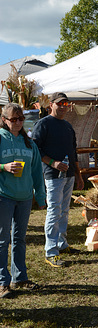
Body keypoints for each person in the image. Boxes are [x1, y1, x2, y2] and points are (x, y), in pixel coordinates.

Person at [32, 92, 84, 268]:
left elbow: (73, 151)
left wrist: (78, 174)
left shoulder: (68, 126)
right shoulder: (43, 124)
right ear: (51, 105)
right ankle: (51, 251)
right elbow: (35, 149)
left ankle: (61, 244)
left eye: (66, 104)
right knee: (54, 211)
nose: (63, 107)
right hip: (53, 176)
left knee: (64, 210)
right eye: (60, 103)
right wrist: (53, 163)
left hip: (69, 175)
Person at [0, 103, 46, 298]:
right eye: (13, 119)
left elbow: (37, 171)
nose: (18, 122)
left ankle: (20, 277)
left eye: (21, 119)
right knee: (2, 240)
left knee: (19, 238)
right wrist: (3, 166)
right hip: (4, 196)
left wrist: (41, 196)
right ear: (4, 120)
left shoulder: (29, 143)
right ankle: (3, 282)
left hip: (25, 197)